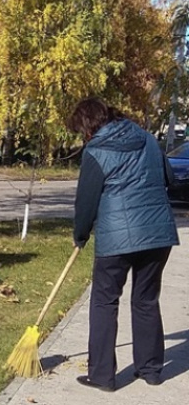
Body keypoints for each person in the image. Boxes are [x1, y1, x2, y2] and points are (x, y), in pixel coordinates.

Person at [66, 97, 178, 392]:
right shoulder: (147, 138)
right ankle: (151, 370)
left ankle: (102, 376)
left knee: (104, 301)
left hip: (118, 238)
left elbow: (86, 199)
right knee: (146, 300)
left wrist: (80, 234)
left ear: (89, 126)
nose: (83, 136)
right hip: (158, 234)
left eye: (82, 131)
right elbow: (170, 178)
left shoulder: (96, 149)